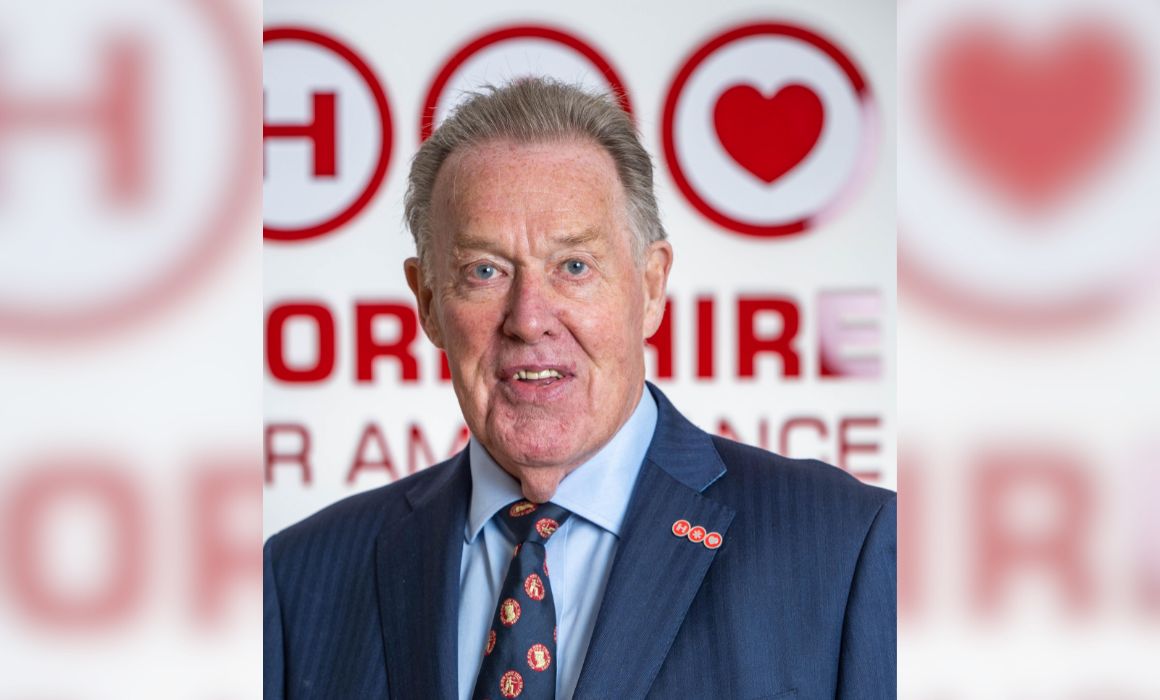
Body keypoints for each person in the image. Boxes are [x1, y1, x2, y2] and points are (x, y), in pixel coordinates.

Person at [264, 78, 896, 700]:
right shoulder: (299, 579)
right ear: (428, 301)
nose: (529, 317)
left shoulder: (846, 548)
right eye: (485, 271)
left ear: (650, 287)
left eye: (573, 266)